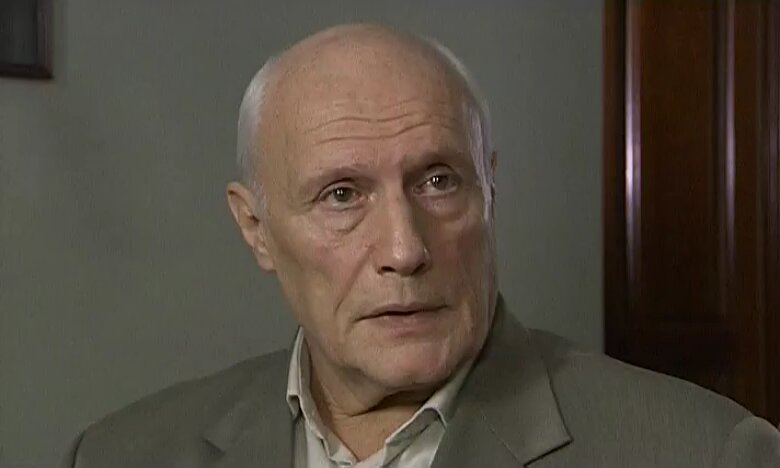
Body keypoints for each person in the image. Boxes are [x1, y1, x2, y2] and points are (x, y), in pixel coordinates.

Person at [62, 23, 780, 467]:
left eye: (438, 182)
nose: (405, 250)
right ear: (256, 229)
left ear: (489, 189)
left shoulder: (705, 454)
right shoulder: (119, 456)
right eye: (342, 195)